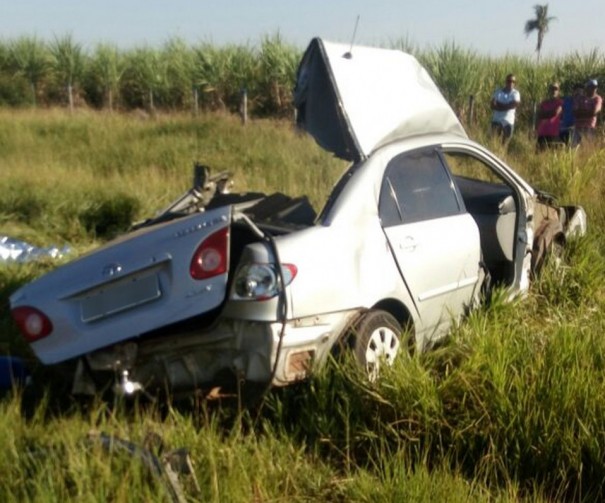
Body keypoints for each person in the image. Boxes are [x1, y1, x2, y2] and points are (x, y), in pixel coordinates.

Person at [490, 74, 521, 142]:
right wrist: (506, 106)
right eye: (509, 81)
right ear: (506, 81)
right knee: (493, 142)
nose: (511, 83)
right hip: (496, 121)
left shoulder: (515, 93)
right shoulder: (498, 92)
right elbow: (492, 105)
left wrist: (499, 105)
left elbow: (514, 104)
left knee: (505, 143)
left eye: (513, 81)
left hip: (508, 122)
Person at [573, 79, 602, 144]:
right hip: (578, 127)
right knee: (574, 149)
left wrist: (581, 112)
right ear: (587, 87)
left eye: (595, 87)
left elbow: (594, 112)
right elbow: (575, 113)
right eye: (591, 87)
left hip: (590, 127)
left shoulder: (597, 98)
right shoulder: (580, 98)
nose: (594, 89)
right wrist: (588, 111)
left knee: (588, 149)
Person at [536, 82, 563, 150]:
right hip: (542, 132)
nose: (553, 91)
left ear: (558, 91)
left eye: (555, 89)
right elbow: (539, 114)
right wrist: (548, 114)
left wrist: (545, 114)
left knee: (552, 154)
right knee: (539, 154)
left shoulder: (560, 102)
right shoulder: (544, 103)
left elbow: (555, 113)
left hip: (553, 133)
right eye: (552, 89)